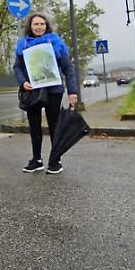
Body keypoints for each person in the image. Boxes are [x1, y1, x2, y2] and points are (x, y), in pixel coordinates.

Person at [13, 13, 79, 175]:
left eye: (42, 24)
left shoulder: (56, 43)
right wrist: (23, 82)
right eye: (36, 24)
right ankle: (36, 160)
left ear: (46, 26)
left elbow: (68, 69)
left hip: (53, 91)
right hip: (32, 91)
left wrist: (72, 91)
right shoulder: (23, 45)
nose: (39, 27)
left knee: (54, 126)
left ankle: (55, 161)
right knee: (34, 126)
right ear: (30, 26)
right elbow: (17, 67)